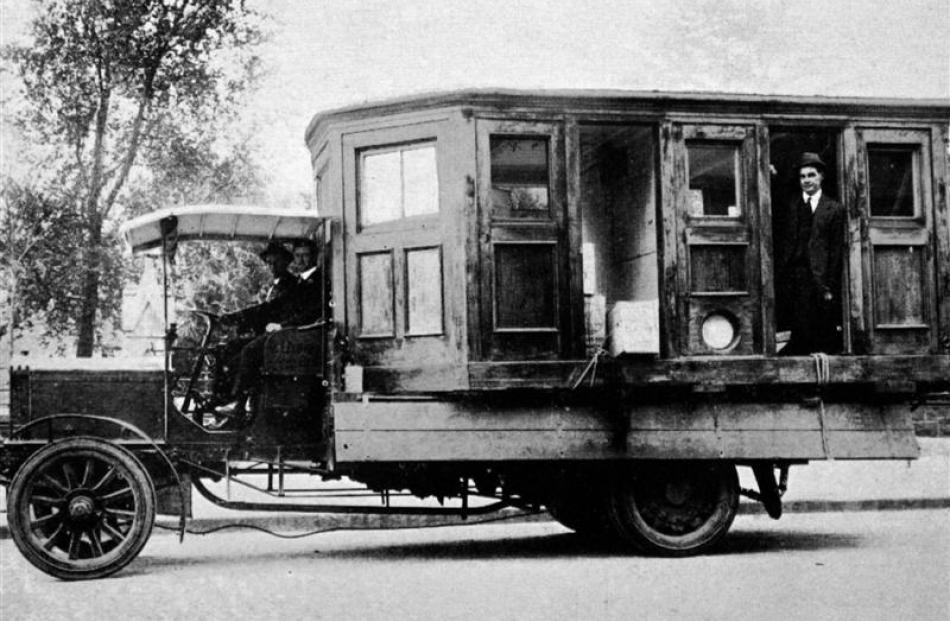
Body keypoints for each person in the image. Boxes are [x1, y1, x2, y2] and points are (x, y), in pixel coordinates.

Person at [214, 239, 325, 427]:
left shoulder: (316, 283)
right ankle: (233, 404)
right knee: (235, 349)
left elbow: (310, 314)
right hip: (287, 333)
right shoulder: (301, 281)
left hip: (294, 337)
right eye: (298, 256)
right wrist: (235, 318)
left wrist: (282, 326)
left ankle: (238, 404)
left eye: (305, 255)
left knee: (250, 351)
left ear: (314, 256)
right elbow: (272, 307)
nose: (301, 260)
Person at [779, 152, 844, 355]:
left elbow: (835, 250)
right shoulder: (791, 207)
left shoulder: (833, 209)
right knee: (797, 318)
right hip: (794, 273)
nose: (806, 180)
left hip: (819, 275)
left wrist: (829, 284)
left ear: (821, 176)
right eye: (802, 176)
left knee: (819, 322)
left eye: (811, 175)